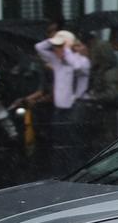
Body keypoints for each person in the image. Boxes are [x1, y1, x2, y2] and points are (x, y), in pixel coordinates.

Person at [34, 30, 91, 174]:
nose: (56, 50)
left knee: (74, 143)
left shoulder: (82, 61)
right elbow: (39, 48)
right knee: (58, 143)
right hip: (60, 110)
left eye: (59, 47)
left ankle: (74, 170)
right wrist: (54, 40)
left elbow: (77, 67)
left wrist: (66, 49)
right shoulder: (56, 61)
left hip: (75, 107)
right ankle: (59, 171)